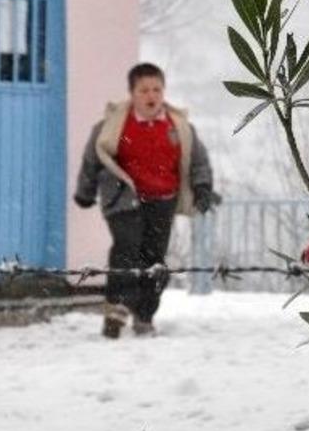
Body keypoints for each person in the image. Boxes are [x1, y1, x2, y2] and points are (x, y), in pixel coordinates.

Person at [74, 63, 218, 339]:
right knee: (126, 247)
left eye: (156, 89)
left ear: (163, 92)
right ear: (132, 94)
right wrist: (86, 190)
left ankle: (144, 313)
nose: (151, 95)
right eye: (144, 90)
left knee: (154, 260)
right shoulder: (113, 126)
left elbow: (198, 161)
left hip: (163, 200)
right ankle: (117, 307)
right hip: (123, 198)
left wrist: (202, 188)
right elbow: (93, 158)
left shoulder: (179, 128)